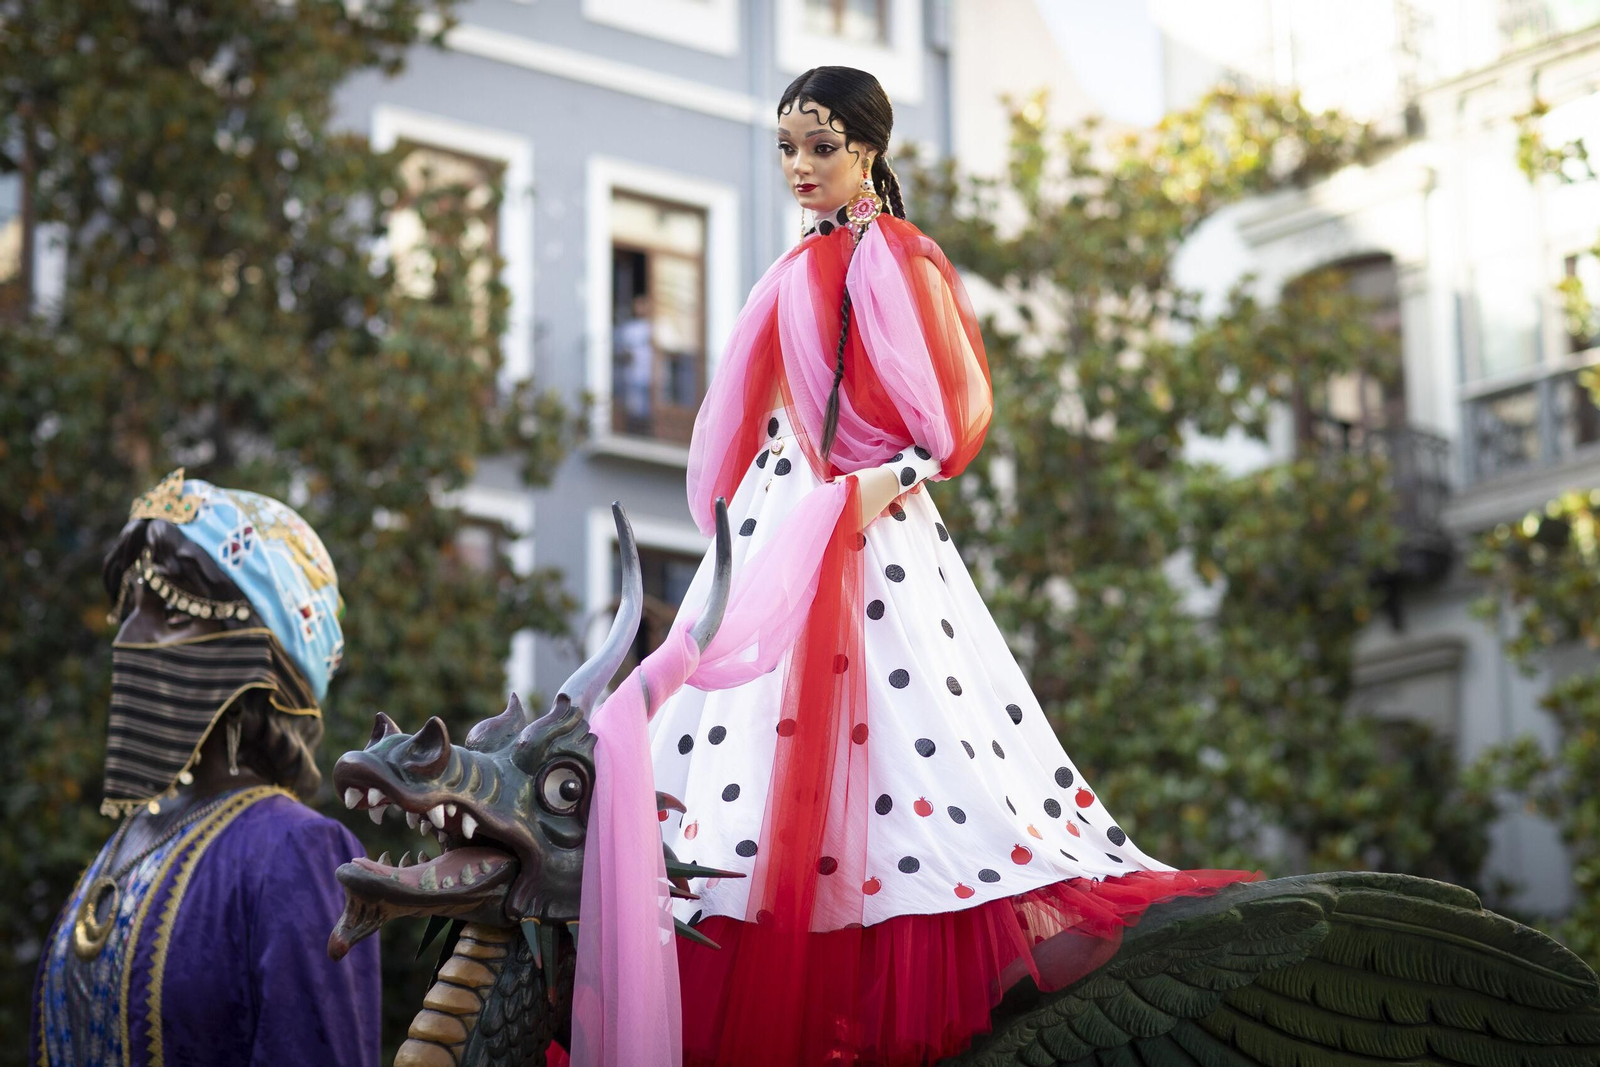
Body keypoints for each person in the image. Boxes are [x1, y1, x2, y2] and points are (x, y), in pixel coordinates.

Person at [645, 67, 1260, 1066]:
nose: (801, 166)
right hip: (783, 517)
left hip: (862, 526)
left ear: (869, 151)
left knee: (900, 757)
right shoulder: (790, 264)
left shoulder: (891, 255)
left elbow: (940, 423)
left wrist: (856, 495)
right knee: (751, 771)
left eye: (822, 147)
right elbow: (750, 414)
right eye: (789, 149)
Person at [30, 469, 380, 1067]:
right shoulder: (126, 842)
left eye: (171, 611)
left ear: (264, 658)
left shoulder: (297, 852)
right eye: (129, 610)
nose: (127, 640)